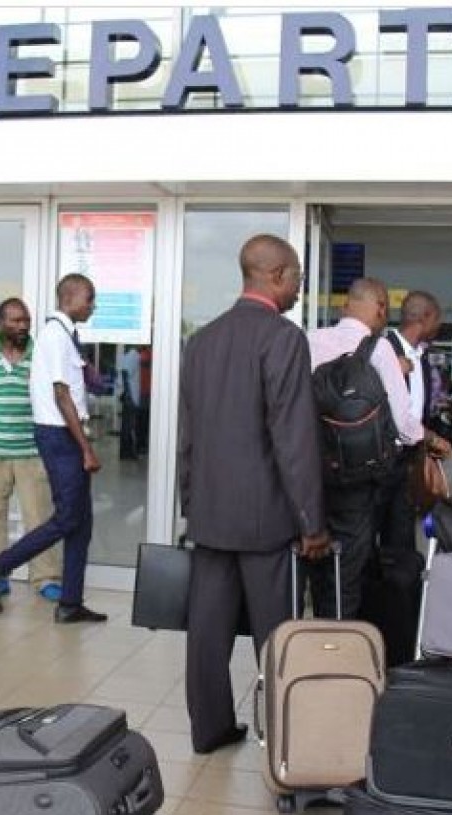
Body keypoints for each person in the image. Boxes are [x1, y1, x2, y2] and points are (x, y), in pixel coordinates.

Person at [178, 233, 330, 754]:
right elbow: (294, 439)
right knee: (276, 637)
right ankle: (284, 740)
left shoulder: (201, 340)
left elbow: (188, 437)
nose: (297, 292)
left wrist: (190, 507)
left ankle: (210, 730)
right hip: (267, 521)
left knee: (207, 634)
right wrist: (312, 522)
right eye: (298, 281)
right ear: (278, 274)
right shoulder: (283, 338)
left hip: (211, 517)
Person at [308, 278, 449, 619]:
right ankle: (341, 644)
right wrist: (428, 440)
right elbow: (404, 424)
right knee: (351, 569)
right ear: (381, 308)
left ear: (346, 307)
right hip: (360, 479)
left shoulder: (308, 340)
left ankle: (309, 639)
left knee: (314, 559)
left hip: (312, 475)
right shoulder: (379, 348)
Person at [0, 275, 105, 623]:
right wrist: (86, 448)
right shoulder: (56, 336)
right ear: (70, 298)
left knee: (82, 526)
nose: (92, 306)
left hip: (59, 437)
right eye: (89, 299)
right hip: (60, 438)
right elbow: (62, 395)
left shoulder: (64, 336)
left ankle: (70, 603)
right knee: (65, 518)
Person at [0, 298, 62, 603]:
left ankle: (45, 578)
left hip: (31, 454)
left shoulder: (40, 356)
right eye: (15, 321)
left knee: (39, 519)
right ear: (0, 323)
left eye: (25, 320)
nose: (22, 326)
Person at [380, 290, 445, 552]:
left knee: (401, 538)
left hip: (409, 462)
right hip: (380, 462)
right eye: (438, 319)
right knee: (371, 538)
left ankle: (400, 587)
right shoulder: (382, 349)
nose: (440, 326)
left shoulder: (423, 359)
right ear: (426, 318)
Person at [118, 345, 140, 460]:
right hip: (131, 396)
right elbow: (125, 373)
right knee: (129, 425)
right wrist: (128, 395)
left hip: (129, 394)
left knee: (127, 424)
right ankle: (127, 452)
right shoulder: (134, 355)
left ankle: (126, 451)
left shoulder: (127, 356)